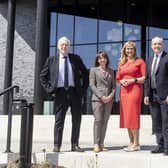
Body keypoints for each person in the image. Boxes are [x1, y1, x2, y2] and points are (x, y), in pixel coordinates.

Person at [40, 36, 89, 152]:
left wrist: (82, 90)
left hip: (75, 92)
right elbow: (42, 76)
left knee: (77, 119)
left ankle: (75, 144)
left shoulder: (76, 58)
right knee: (59, 120)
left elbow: (86, 74)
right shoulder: (51, 60)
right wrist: (50, 89)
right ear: (58, 47)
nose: (64, 46)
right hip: (60, 92)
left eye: (66, 44)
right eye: (62, 44)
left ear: (69, 47)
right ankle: (57, 145)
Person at [116, 41, 146, 152]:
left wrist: (132, 80)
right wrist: (121, 81)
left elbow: (143, 78)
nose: (129, 51)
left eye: (131, 49)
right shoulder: (121, 63)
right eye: (127, 49)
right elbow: (117, 79)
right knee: (126, 116)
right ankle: (131, 142)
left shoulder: (140, 62)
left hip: (135, 90)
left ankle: (137, 143)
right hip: (124, 92)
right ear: (124, 50)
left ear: (134, 50)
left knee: (133, 116)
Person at [144, 36, 168, 155]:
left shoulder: (167, 57)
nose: (157, 46)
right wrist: (146, 94)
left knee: (166, 122)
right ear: (151, 46)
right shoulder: (149, 60)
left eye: (159, 44)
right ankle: (160, 146)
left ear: (162, 45)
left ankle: (167, 147)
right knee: (156, 122)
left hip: (165, 96)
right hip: (153, 95)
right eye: (154, 44)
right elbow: (147, 78)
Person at [89, 51, 116, 152]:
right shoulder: (93, 70)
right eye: (100, 58)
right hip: (97, 99)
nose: (102, 60)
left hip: (109, 100)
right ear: (97, 60)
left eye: (103, 58)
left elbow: (113, 86)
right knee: (98, 120)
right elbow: (92, 85)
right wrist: (101, 96)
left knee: (105, 121)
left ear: (106, 59)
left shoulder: (111, 71)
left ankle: (101, 143)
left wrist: (110, 96)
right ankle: (96, 143)